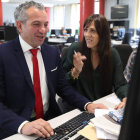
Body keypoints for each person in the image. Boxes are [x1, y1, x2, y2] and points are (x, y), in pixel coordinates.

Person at [0, 2, 107, 139]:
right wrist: (22, 125)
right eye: (36, 24)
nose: (43, 30)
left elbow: (63, 88)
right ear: (20, 26)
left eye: (45, 24)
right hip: (17, 127)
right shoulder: (3, 54)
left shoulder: (51, 53)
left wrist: (87, 105)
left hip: (51, 122)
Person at [63, 14, 128, 111]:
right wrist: (76, 71)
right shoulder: (76, 49)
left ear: (103, 34)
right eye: (85, 30)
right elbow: (62, 84)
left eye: (92, 31)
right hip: (79, 106)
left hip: (102, 106)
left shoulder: (112, 54)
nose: (87, 35)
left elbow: (120, 84)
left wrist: (126, 98)